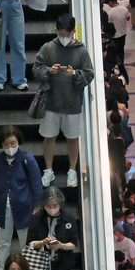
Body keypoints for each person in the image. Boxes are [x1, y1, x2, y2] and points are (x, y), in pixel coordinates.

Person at [33, 14, 95, 188]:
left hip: (72, 104)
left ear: (73, 32)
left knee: (72, 138)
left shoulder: (81, 52)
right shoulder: (48, 48)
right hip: (51, 103)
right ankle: (48, 170)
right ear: (56, 30)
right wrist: (48, 71)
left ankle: (72, 170)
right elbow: (36, 68)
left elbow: (89, 74)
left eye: (67, 35)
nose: (64, 38)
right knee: (49, 137)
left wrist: (74, 74)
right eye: (61, 34)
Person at [0, 124, 42, 270]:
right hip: (2, 208)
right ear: (1, 144)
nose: (10, 147)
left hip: (25, 209)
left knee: (27, 243)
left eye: (13, 143)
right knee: (2, 243)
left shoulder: (27, 159)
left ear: (18, 141)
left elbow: (37, 185)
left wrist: (36, 207)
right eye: (6, 144)